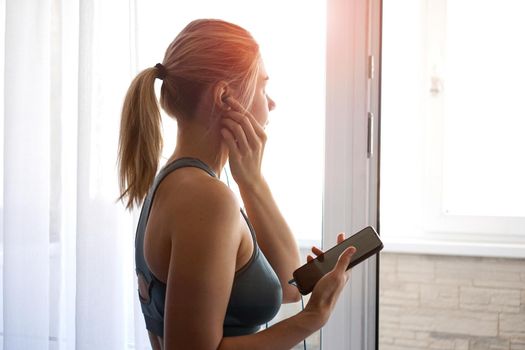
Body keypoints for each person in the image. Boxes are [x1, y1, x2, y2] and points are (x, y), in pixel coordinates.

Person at [118, 19, 356, 350]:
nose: (270, 102)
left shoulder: (177, 182)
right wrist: (312, 318)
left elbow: (289, 286)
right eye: (261, 87)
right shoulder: (206, 199)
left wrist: (252, 180)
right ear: (225, 97)